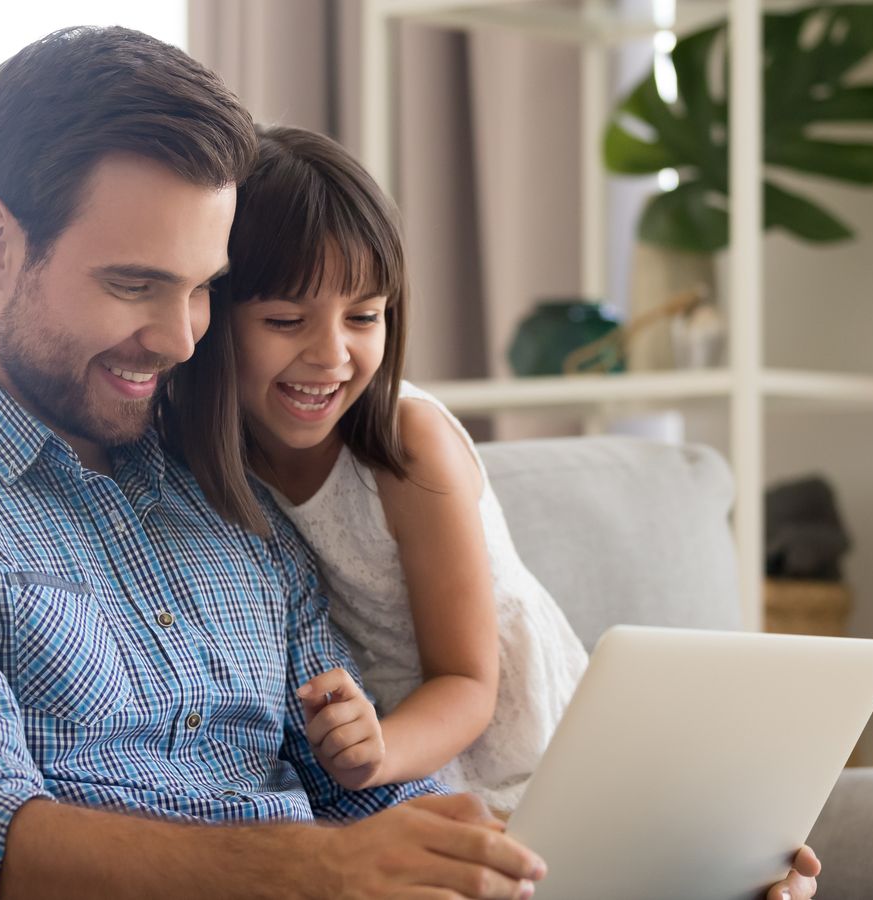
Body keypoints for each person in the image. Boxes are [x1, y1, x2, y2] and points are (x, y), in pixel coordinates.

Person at [0, 24, 821, 900]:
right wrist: (314, 869)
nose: (182, 339)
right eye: (136, 285)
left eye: (202, 290)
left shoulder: (217, 481)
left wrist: (625, 872)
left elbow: (360, 791)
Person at [159, 126, 589, 814]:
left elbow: (469, 682)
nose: (332, 356)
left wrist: (379, 753)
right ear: (213, 316)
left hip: (513, 746)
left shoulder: (409, 446)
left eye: (364, 316)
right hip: (371, 750)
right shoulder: (191, 453)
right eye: (285, 320)